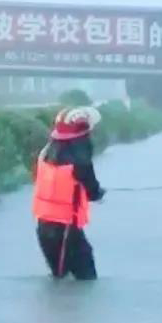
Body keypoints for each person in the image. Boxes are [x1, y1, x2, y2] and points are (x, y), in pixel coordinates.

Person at [32, 107, 106, 280]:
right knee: (86, 277)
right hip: (66, 229)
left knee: (59, 277)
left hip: (44, 226)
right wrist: (98, 193)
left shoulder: (46, 152)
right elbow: (90, 186)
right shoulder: (80, 153)